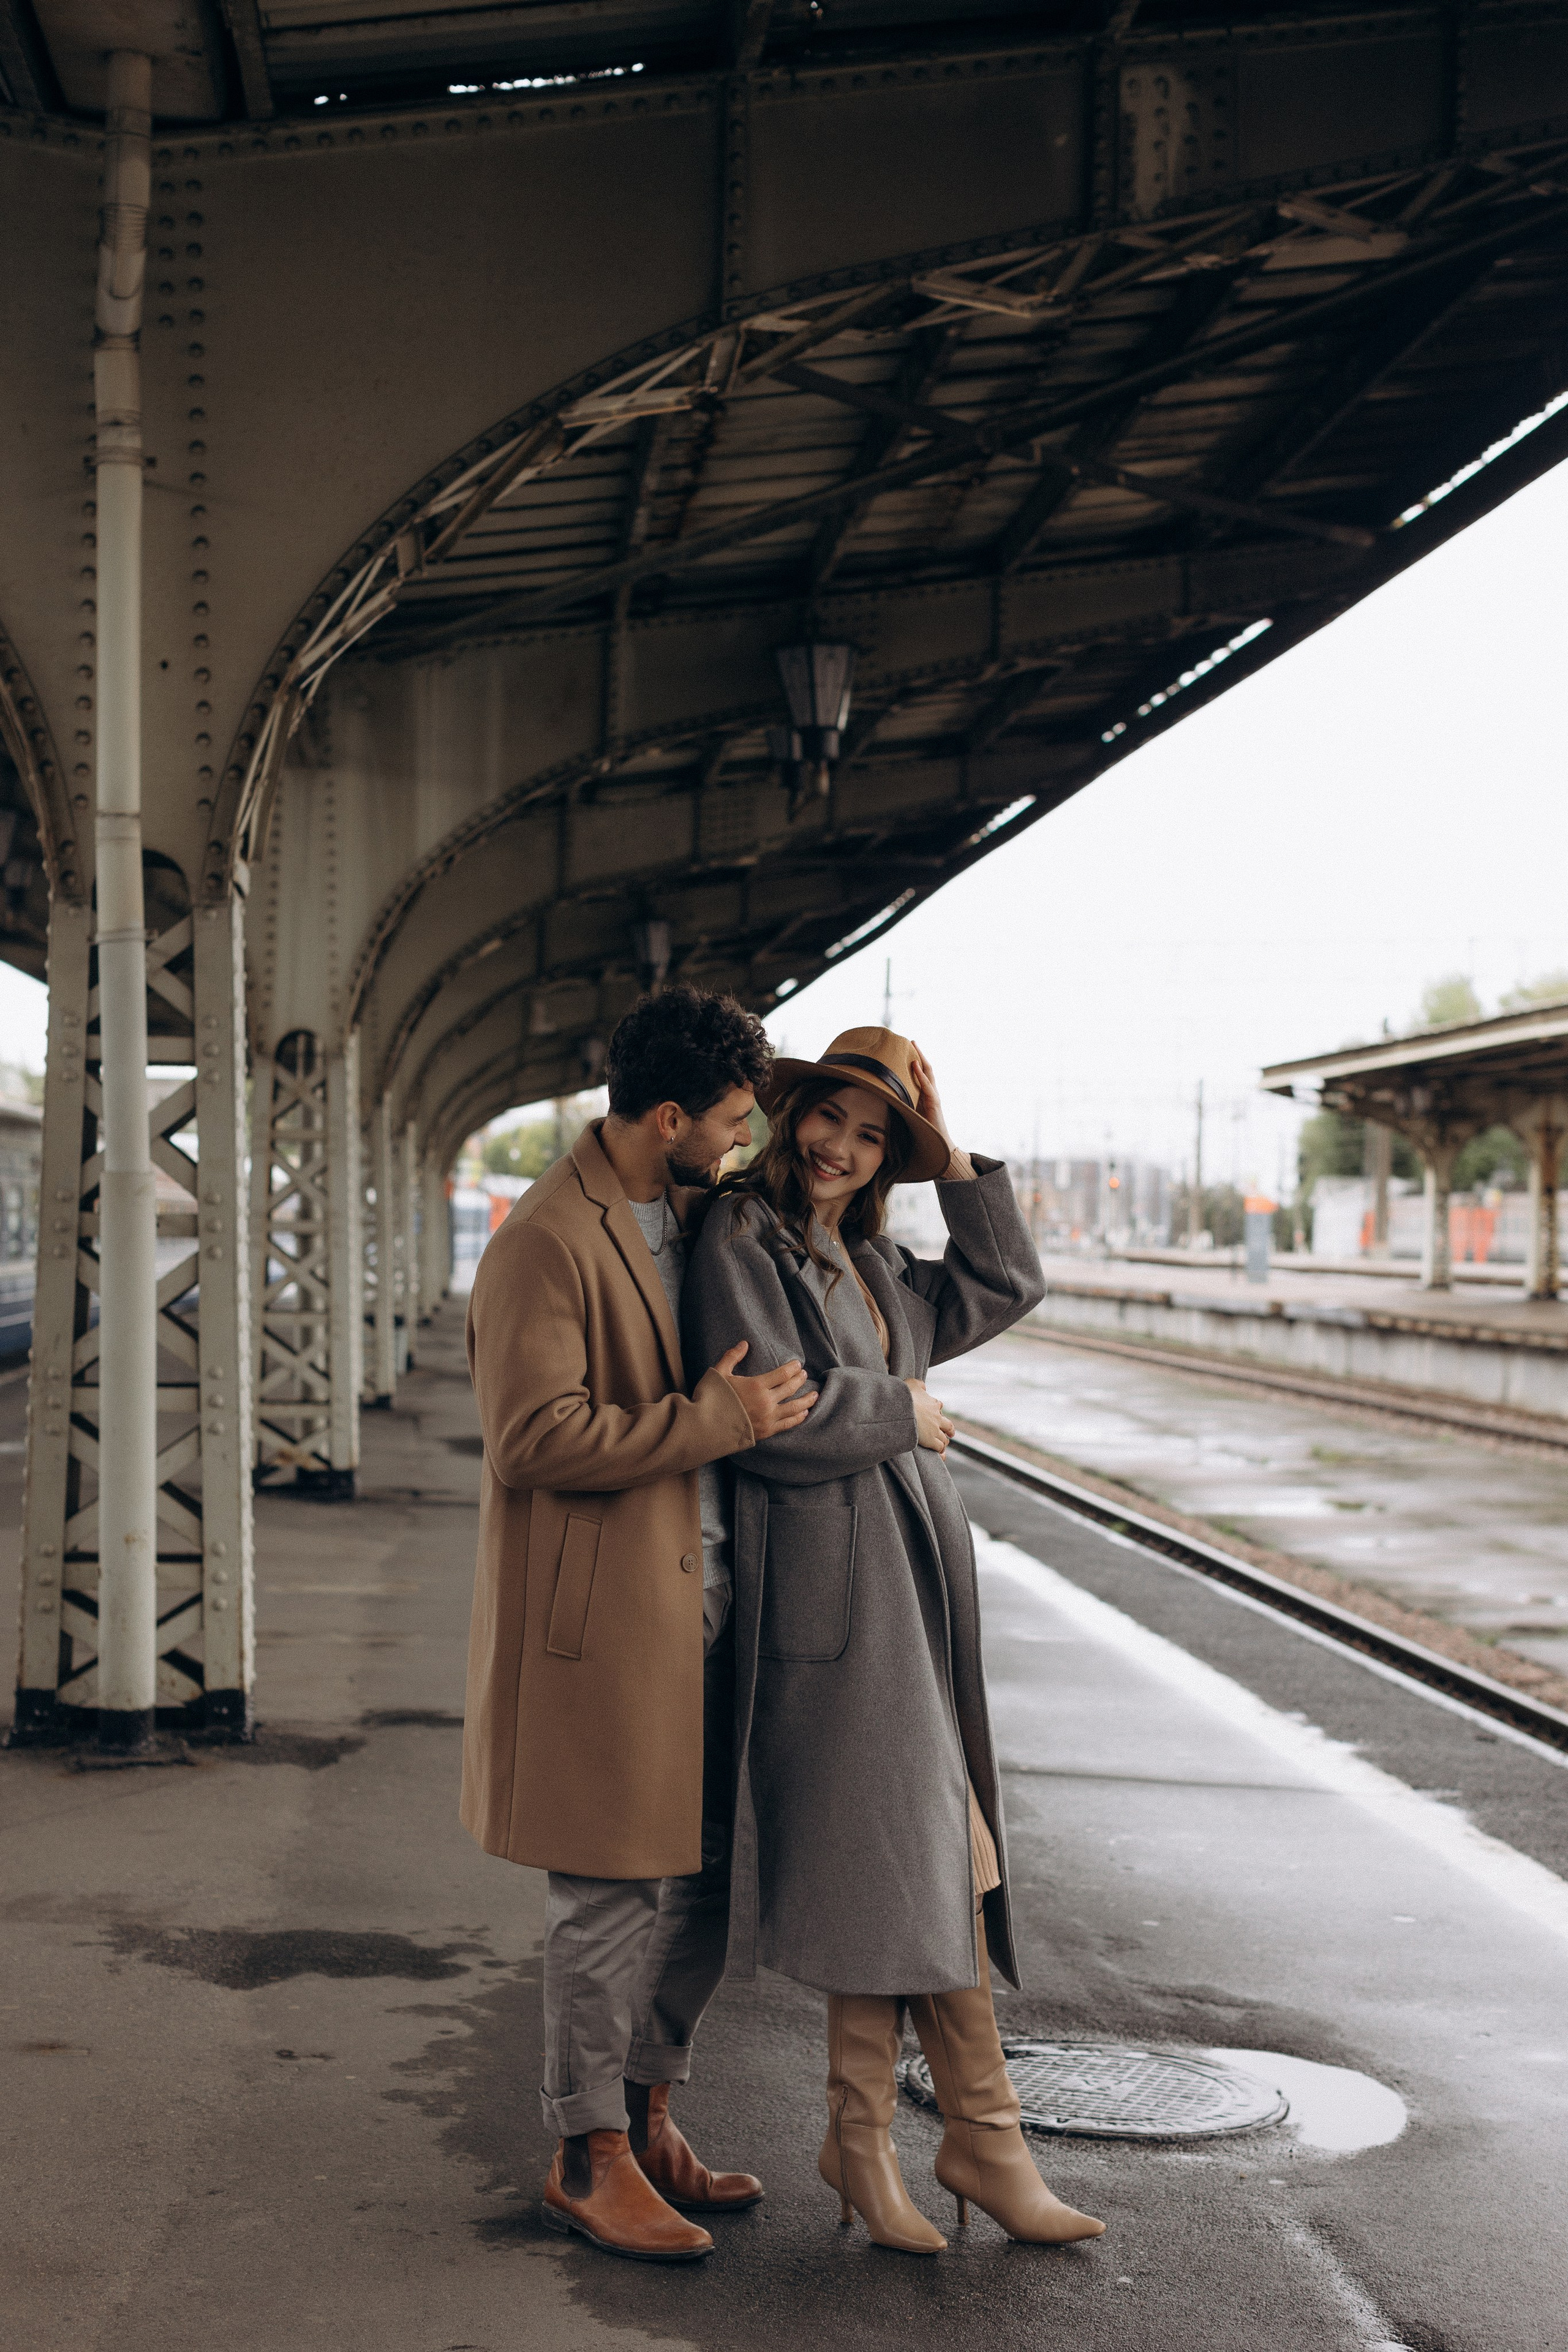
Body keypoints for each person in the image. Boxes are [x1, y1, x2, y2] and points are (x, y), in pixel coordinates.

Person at [683, 1026, 1106, 2255]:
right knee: (925, 1855)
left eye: (872, 1137)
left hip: (902, 1593)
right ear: (790, 1111)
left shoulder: (869, 1259)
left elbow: (1007, 1281)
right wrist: (902, 1409)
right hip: (825, 1587)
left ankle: (892, 2139)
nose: (839, 1148)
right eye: (829, 1119)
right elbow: (765, 1410)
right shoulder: (739, 1239)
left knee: (917, 1860)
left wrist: (950, 1148)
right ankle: (958, 2138)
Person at [460, 987, 817, 2263]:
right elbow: (530, 1437)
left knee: (702, 1883)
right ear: (665, 1117)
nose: (738, 1145)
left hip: (708, 1605)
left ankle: (652, 2115)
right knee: (608, 1895)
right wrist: (714, 1425)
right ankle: (584, 2152)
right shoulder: (544, 1241)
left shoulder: (695, 1214)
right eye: (726, 1122)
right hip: (604, 1618)